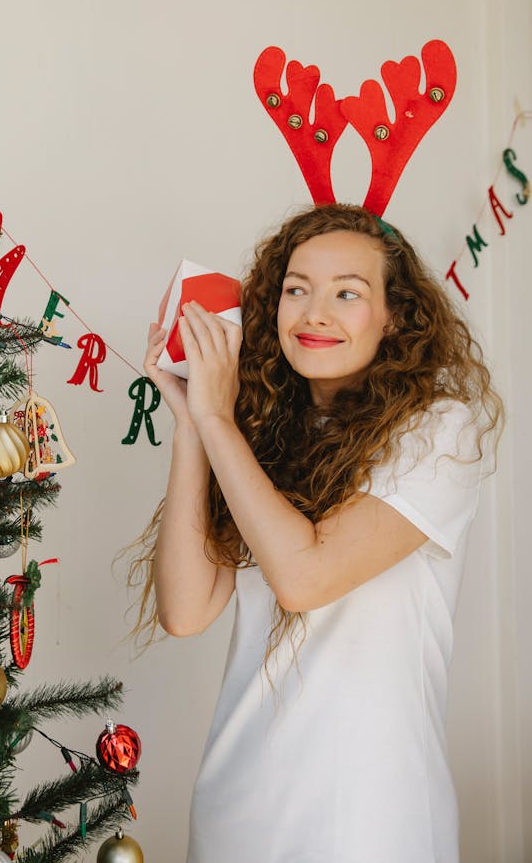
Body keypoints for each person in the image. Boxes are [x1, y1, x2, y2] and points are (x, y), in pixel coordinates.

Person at [135, 203, 502, 863]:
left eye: (347, 292)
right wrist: (195, 423)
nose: (315, 311)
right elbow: (186, 611)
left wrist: (219, 421)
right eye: (296, 288)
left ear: (393, 315)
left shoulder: (440, 430)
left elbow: (304, 576)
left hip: (370, 818)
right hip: (235, 813)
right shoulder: (263, 438)